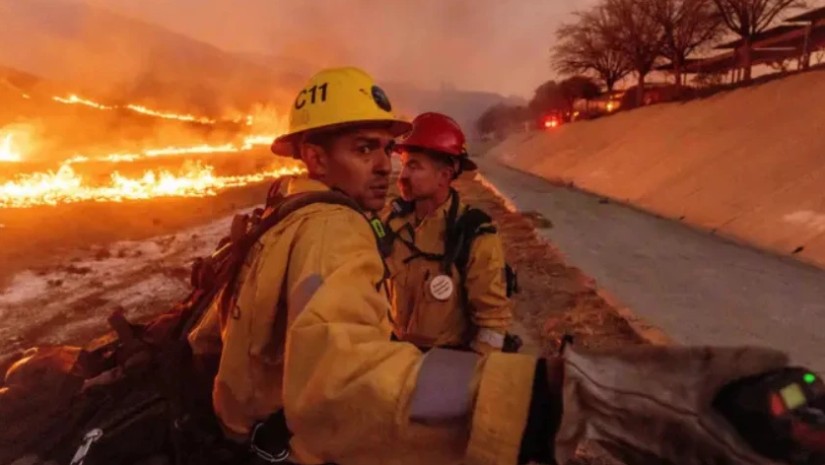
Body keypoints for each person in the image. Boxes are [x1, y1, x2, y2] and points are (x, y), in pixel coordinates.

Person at [185, 66, 822, 465]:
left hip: (362, 398)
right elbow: (341, 381)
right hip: (335, 428)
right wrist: (545, 399)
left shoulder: (281, 222)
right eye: (364, 150)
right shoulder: (336, 230)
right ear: (313, 159)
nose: (388, 167)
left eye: (391, 151)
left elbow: (225, 344)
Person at [381, 112, 515, 354]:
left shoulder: (474, 233)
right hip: (394, 358)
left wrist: (466, 374)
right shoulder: (391, 222)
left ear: (444, 176)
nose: (403, 176)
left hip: (445, 362)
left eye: (414, 166)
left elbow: (492, 323)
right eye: (404, 165)